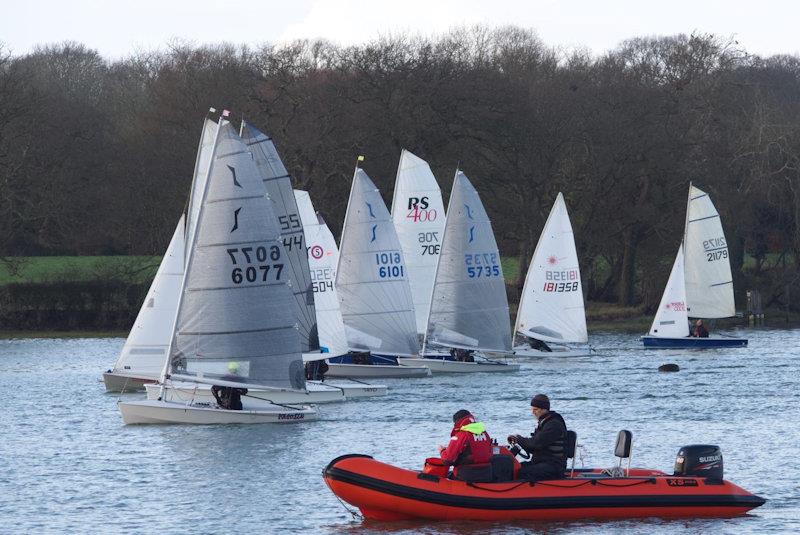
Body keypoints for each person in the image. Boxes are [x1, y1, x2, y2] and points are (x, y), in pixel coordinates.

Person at [508, 394, 567, 481]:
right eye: (532, 409)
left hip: (553, 466)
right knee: (515, 468)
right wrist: (519, 442)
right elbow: (534, 447)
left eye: (535, 409)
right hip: (542, 462)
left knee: (522, 472)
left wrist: (519, 439)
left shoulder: (554, 425)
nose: (533, 412)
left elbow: (536, 443)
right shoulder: (544, 423)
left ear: (544, 409)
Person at [438, 409, 493, 479]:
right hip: (486, 474)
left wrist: (442, 451)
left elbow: (447, 460)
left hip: (467, 475)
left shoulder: (461, 435)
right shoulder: (485, 434)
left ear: (457, 422)